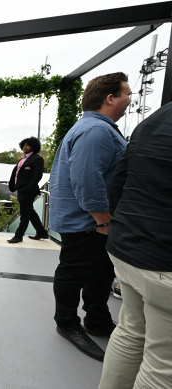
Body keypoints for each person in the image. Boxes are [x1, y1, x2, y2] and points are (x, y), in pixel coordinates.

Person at [49, 72, 131, 361]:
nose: (129, 100)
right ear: (110, 98)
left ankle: (96, 320)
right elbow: (87, 179)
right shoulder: (96, 131)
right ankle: (67, 323)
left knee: (99, 272)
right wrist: (103, 220)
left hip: (91, 221)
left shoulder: (93, 128)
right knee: (73, 272)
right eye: (126, 95)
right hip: (89, 222)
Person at [98, 102, 172, 388]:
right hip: (163, 259)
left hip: (128, 247)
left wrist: (119, 225)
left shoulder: (156, 119)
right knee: (163, 365)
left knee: (130, 331)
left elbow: (119, 182)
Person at [7, 137, 48, 243]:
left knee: (24, 213)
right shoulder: (23, 159)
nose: (25, 147)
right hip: (21, 189)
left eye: (27, 145)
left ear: (33, 146)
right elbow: (16, 174)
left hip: (28, 190)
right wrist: (12, 185)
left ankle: (18, 236)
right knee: (30, 212)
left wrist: (28, 188)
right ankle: (41, 232)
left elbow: (38, 175)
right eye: (24, 145)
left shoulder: (37, 158)